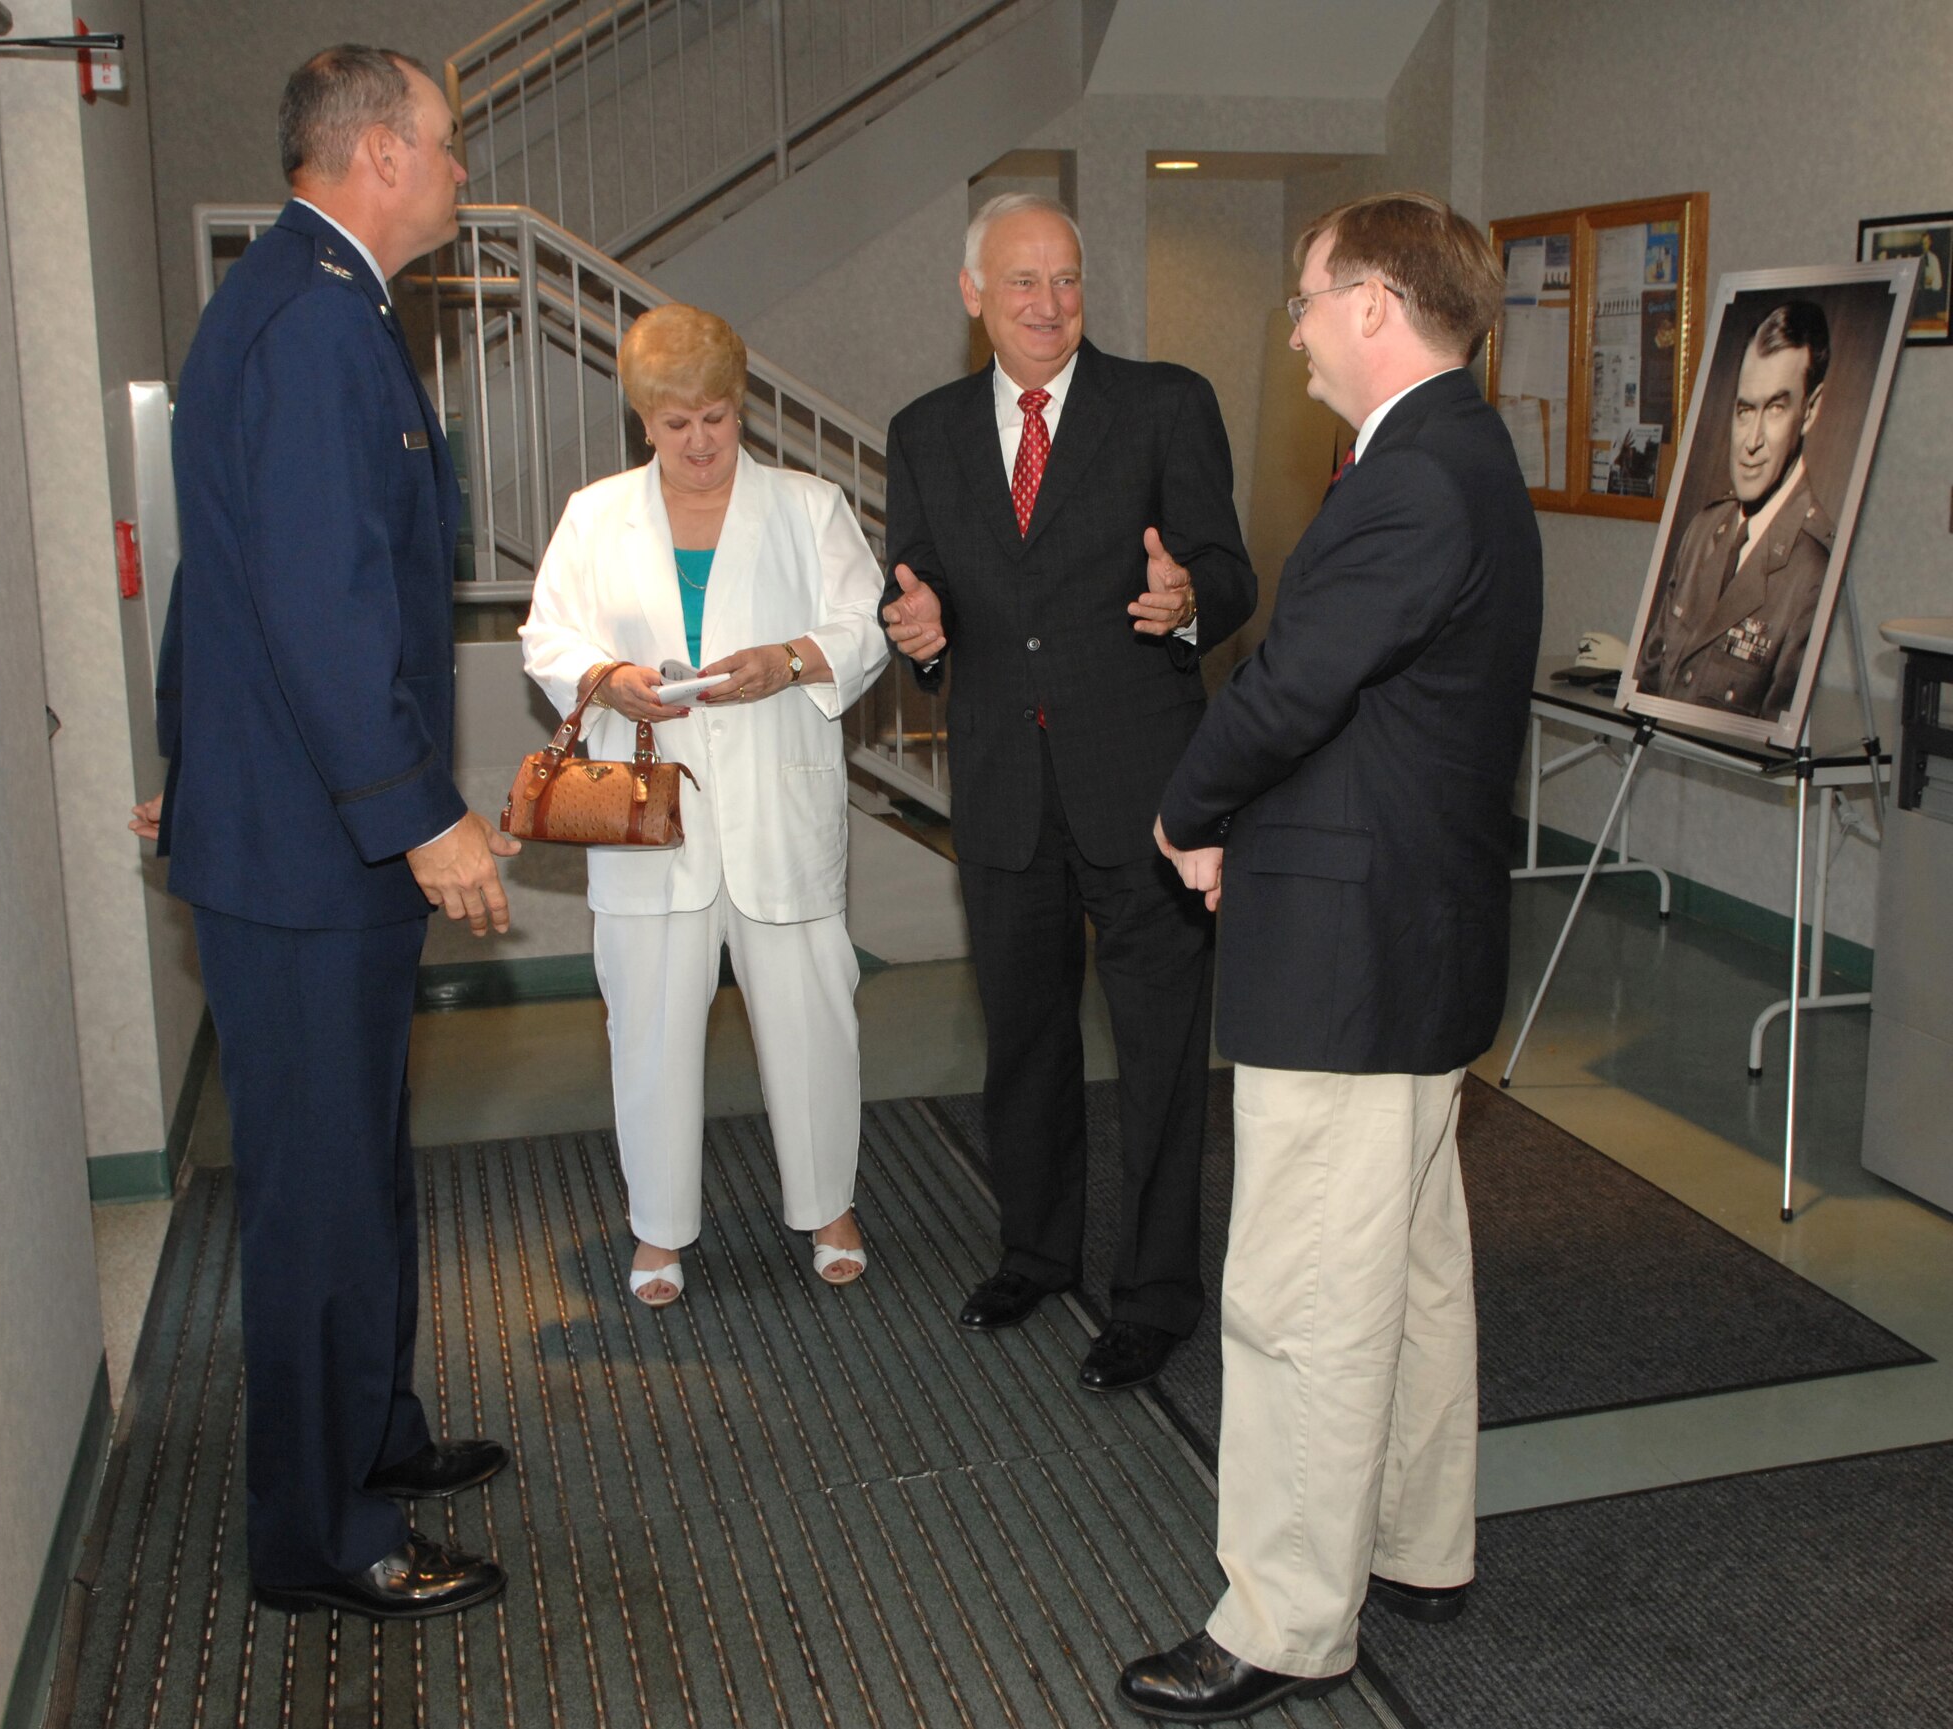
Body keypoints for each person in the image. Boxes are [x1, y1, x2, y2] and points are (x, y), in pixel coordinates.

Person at [1120, 191, 1542, 1720]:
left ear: (1375, 302)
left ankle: (1288, 1619)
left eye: (1304, 300)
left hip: (1355, 959)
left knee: (1302, 1296)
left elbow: (1293, 683)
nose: (1291, 332)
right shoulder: (1455, 456)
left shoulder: (1420, 477)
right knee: (1413, 1272)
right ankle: (1418, 1546)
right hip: (1400, 938)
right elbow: (1366, 707)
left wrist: (1186, 806)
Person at [129, 46, 516, 1619]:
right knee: (317, 1202)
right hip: (314, 854)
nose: (460, 172)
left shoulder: (318, 303)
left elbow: (223, 585)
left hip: (287, 831)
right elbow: (319, 605)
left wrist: (196, 757)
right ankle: (324, 1537)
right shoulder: (310, 321)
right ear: (373, 155)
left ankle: (376, 1435)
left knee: (363, 1168)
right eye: (445, 146)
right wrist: (420, 815)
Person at [880, 193, 1257, 1392]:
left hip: (1142, 790)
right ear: (972, 293)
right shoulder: (925, 431)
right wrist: (922, 635)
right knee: (1025, 1044)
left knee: (1156, 1057)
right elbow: (918, 595)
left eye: (1067, 280)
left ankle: (1154, 1295)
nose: (1048, 305)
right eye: (1022, 282)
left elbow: (1231, 571)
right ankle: (1034, 1251)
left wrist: (1186, 600)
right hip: (1000, 787)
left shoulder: (1163, 405)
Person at [521, 303, 889, 1308]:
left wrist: (791, 659)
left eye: (716, 417)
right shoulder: (594, 516)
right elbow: (546, 639)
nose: (698, 440)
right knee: (647, 1027)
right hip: (649, 821)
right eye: (675, 421)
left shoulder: (808, 507)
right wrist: (607, 676)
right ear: (644, 420)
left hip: (779, 806)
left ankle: (828, 1206)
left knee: (814, 1019)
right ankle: (658, 1230)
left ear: (742, 410)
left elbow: (863, 627)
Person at [1633, 301, 1833, 721]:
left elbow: (1772, 748)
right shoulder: (1704, 531)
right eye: (1745, 410)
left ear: (1809, 411)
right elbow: (1647, 683)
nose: (1752, 441)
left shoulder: (1814, 571)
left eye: (1776, 409)